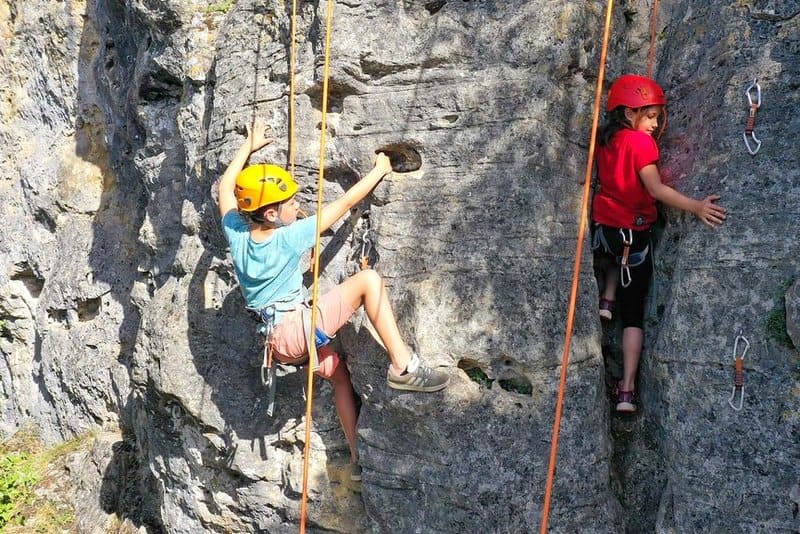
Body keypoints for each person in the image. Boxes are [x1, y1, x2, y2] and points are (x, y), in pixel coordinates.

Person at [216, 117, 449, 480]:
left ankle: (357, 460)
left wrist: (249, 145)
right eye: (291, 203)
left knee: (339, 376)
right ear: (272, 213)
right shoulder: (289, 236)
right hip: (297, 330)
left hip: (278, 345)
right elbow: (345, 203)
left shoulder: (237, 234)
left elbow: (225, 190)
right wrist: (380, 169)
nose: (297, 206)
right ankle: (404, 367)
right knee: (368, 281)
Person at [591, 74, 727, 412]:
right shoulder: (640, 144)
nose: (654, 124)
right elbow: (655, 190)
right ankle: (626, 389)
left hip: (603, 229)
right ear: (627, 114)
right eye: (649, 115)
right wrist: (697, 206)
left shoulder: (606, 139)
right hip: (633, 237)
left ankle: (606, 298)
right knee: (633, 317)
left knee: (610, 259)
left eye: (656, 116)